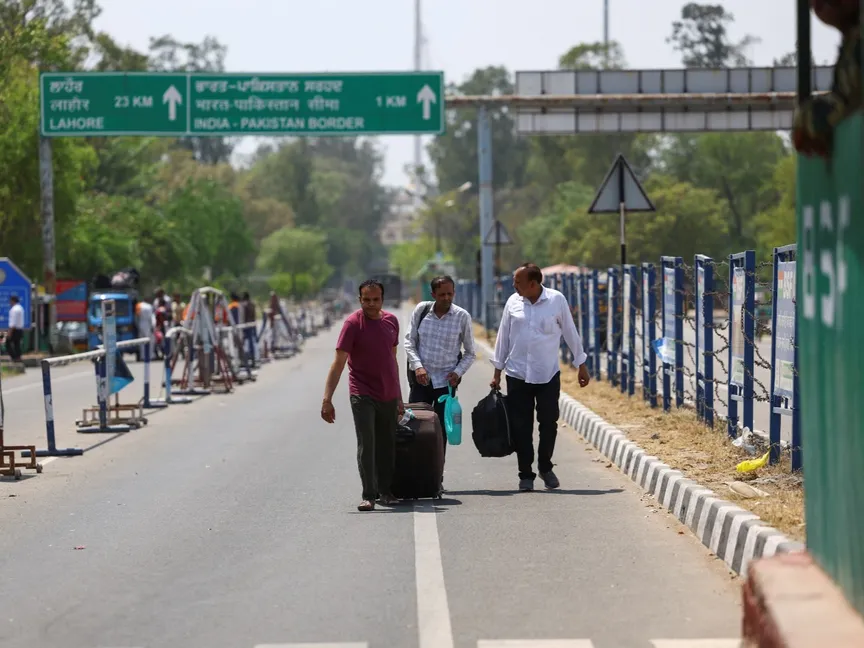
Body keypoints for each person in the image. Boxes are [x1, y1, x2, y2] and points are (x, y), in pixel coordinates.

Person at [490, 263, 591, 492]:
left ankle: (545, 466)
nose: (514, 286)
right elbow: (503, 338)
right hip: (517, 375)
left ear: (533, 284)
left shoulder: (556, 300)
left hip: (547, 374)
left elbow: (570, 332)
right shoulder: (512, 303)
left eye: (518, 282)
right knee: (521, 426)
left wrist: (581, 364)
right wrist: (497, 372)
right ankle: (526, 474)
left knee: (548, 422)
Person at [321, 279, 403, 511]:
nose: (371, 304)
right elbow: (338, 364)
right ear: (360, 300)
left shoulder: (391, 322)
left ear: (382, 300)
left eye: (375, 300)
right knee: (367, 443)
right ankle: (369, 495)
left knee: (387, 443)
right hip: (362, 391)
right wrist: (327, 399)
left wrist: (398, 396)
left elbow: (392, 360)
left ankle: (386, 491)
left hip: (387, 392)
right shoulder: (352, 324)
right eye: (366, 300)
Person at [404, 275, 476, 486]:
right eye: (442, 294)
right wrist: (418, 366)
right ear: (433, 294)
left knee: (439, 431)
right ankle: (415, 474)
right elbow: (409, 343)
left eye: (450, 294)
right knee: (415, 427)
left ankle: (436, 476)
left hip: (446, 384)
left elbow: (471, 352)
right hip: (421, 381)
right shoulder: (422, 311)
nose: (446, 298)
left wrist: (458, 372)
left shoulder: (462, 316)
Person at [6, 295, 25, 364]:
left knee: (8, 343)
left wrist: (10, 332)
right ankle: (18, 357)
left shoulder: (14, 309)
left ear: (12, 301)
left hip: (15, 329)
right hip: (20, 329)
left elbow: (13, 323)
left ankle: (14, 357)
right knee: (17, 344)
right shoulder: (20, 308)